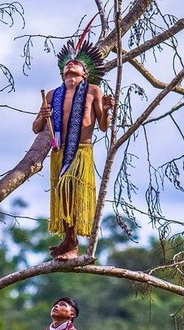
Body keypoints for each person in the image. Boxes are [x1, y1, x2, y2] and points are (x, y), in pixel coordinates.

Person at [31, 19, 115, 260]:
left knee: (73, 191)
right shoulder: (52, 95)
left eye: (76, 65)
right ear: (62, 72)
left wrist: (107, 110)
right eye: (68, 65)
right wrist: (44, 115)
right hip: (60, 151)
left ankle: (73, 241)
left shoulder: (92, 91)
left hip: (81, 151)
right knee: (63, 195)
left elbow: (102, 126)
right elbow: (37, 128)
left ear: (85, 73)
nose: (71, 66)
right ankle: (69, 239)